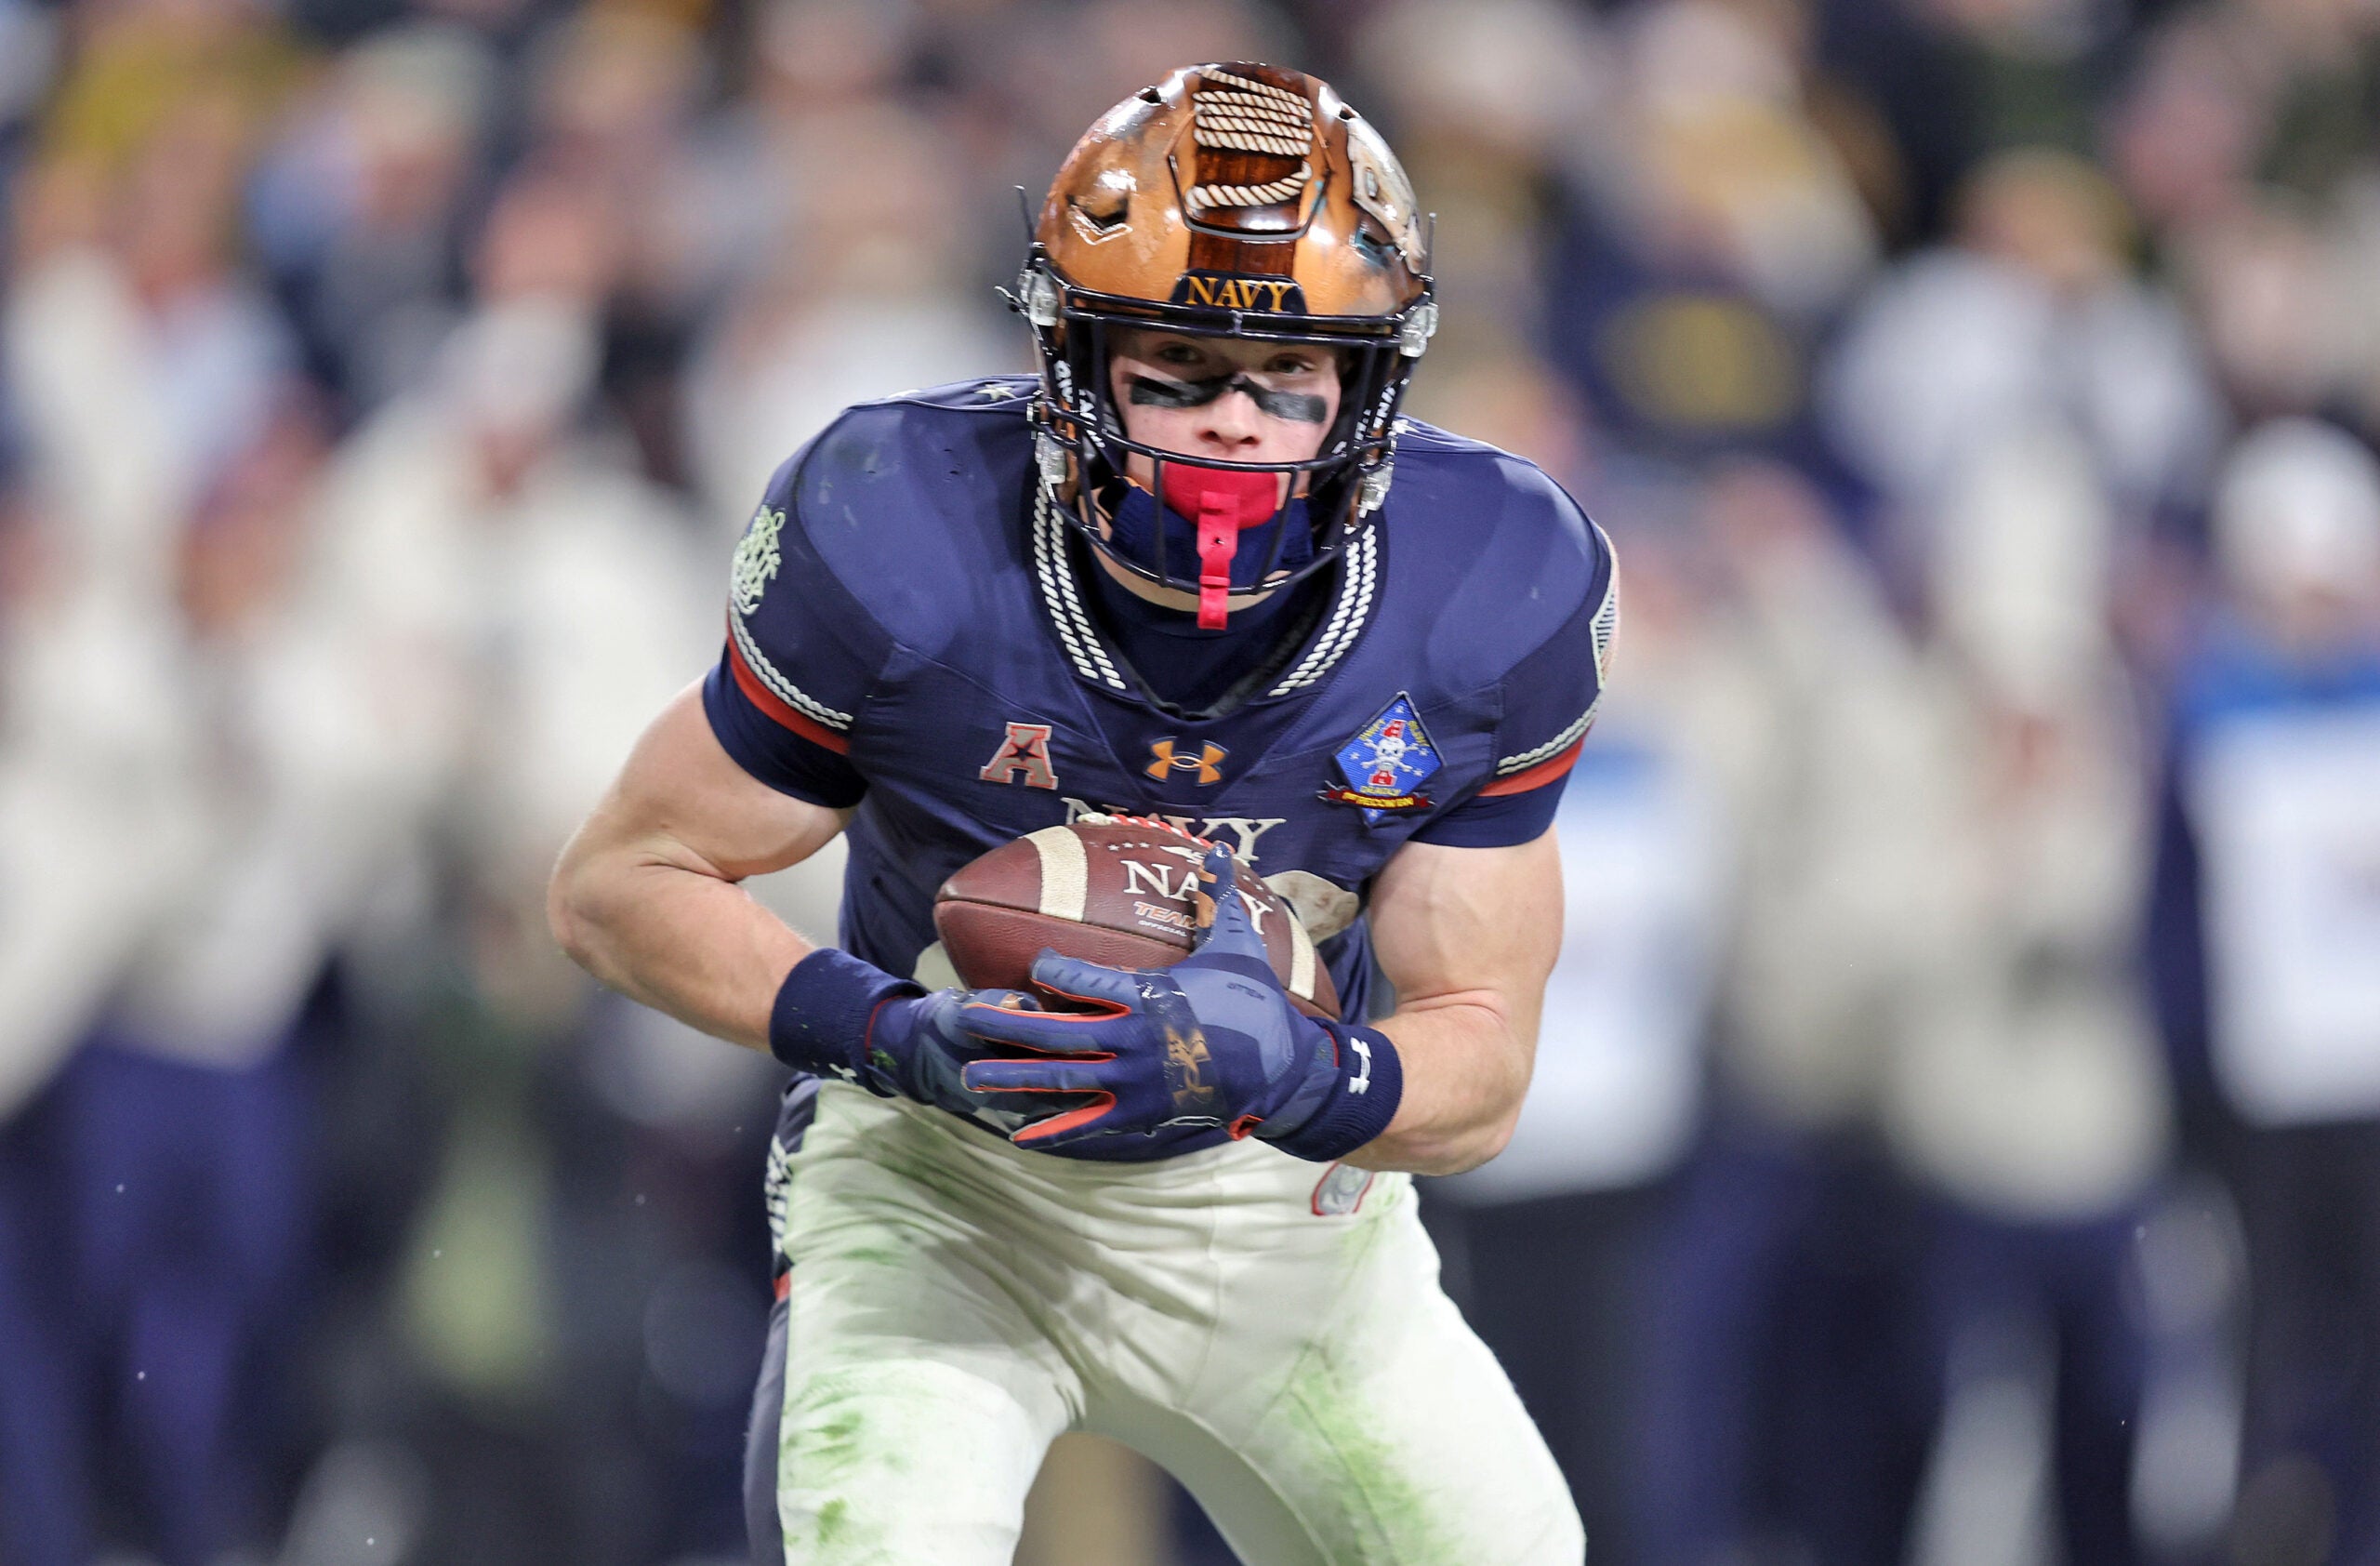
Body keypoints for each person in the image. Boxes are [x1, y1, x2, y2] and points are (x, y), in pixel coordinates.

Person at [549, 62, 1614, 1566]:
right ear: (1073, 360)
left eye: (1288, 376)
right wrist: (886, 1031)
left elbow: (1483, 1064)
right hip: (944, 1183)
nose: (1233, 424)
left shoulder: (1491, 586)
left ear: (1370, 392)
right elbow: (616, 882)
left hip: (1276, 1206)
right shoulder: (901, 526)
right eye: (1178, 366)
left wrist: (1301, 1069)